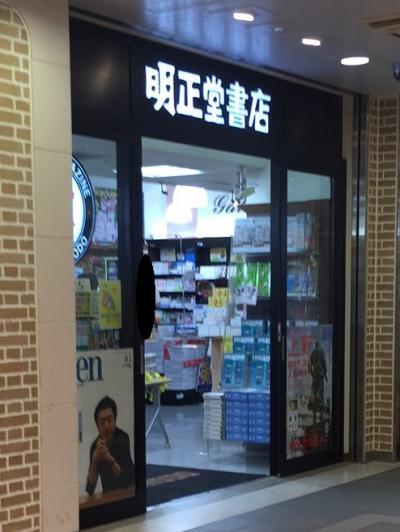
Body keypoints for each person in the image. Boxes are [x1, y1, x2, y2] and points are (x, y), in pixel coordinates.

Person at [86, 396, 135, 495]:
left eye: (109, 420)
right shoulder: (95, 446)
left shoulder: (123, 438)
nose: (106, 425)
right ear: (97, 426)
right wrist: (95, 461)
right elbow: (89, 489)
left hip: (126, 495)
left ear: (115, 420)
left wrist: (109, 459)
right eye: (102, 422)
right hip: (108, 496)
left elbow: (128, 479)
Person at [309, 341, 328, 425]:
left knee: (313, 394)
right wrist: (325, 373)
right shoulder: (321, 351)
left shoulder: (313, 353)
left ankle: (314, 420)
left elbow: (310, 365)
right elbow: (324, 362)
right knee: (320, 396)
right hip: (320, 375)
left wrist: (312, 374)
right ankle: (321, 419)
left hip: (315, 376)